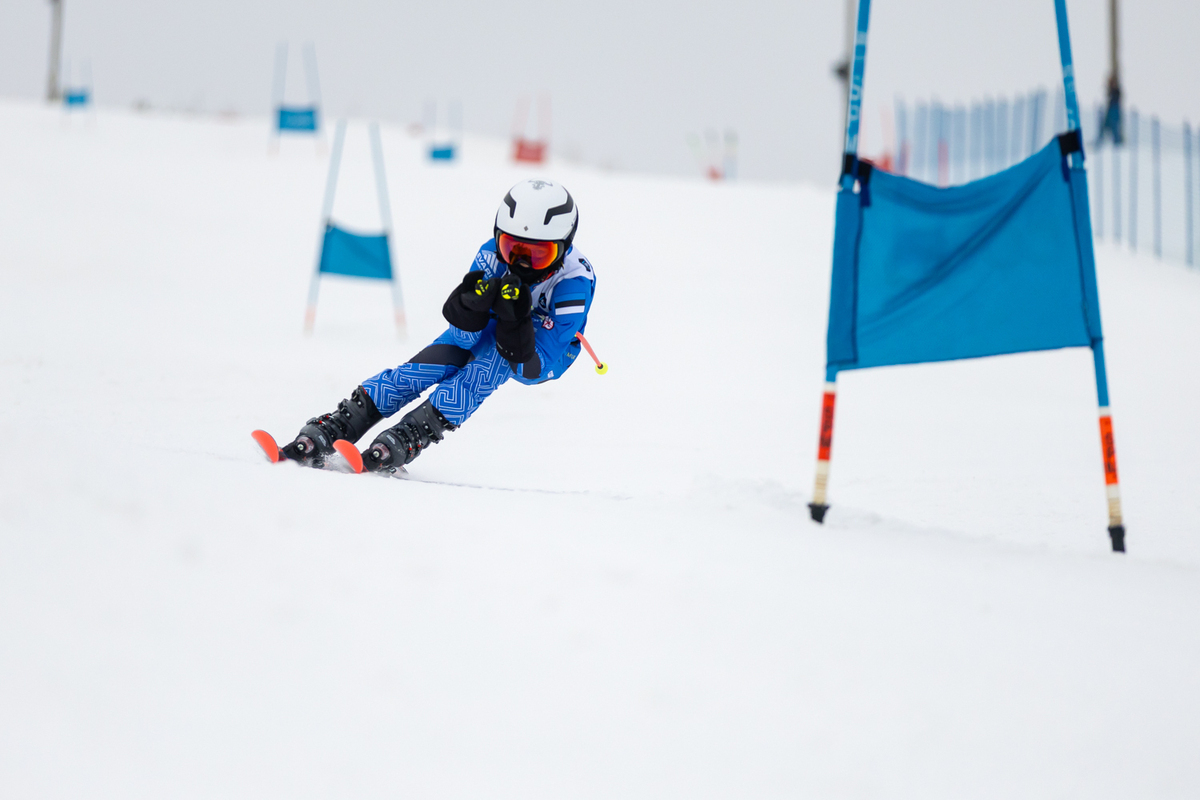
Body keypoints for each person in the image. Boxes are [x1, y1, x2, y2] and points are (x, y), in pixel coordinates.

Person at [279, 179, 596, 472]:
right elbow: (462, 338)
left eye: (539, 255)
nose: (522, 263)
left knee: (492, 365)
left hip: (545, 349)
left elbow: (533, 368)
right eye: (512, 249)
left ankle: (413, 432)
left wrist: (515, 322)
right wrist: (470, 310)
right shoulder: (491, 253)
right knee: (437, 359)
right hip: (501, 322)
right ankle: (343, 422)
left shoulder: (574, 284)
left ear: (564, 247)